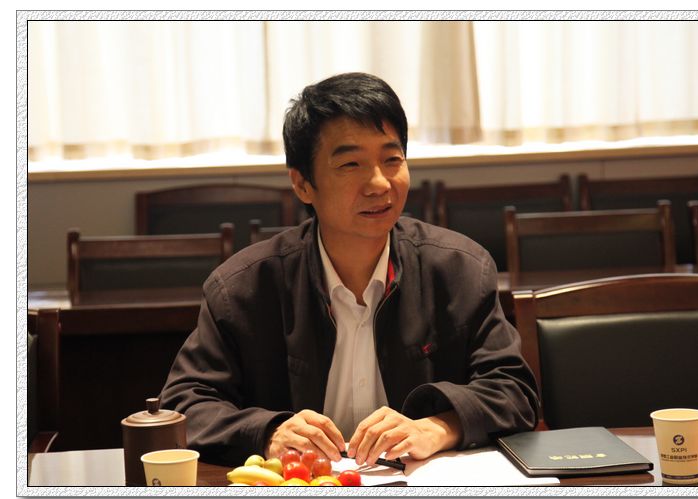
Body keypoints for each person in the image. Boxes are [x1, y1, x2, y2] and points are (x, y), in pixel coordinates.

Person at [160, 72, 539, 468]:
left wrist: (438, 427)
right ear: (302, 184)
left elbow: (514, 391)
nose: (379, 183)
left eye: (392, 159)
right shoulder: (244, 288)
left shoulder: (459, 270)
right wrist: (269, 433)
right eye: (351, 164)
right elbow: (184, 405)